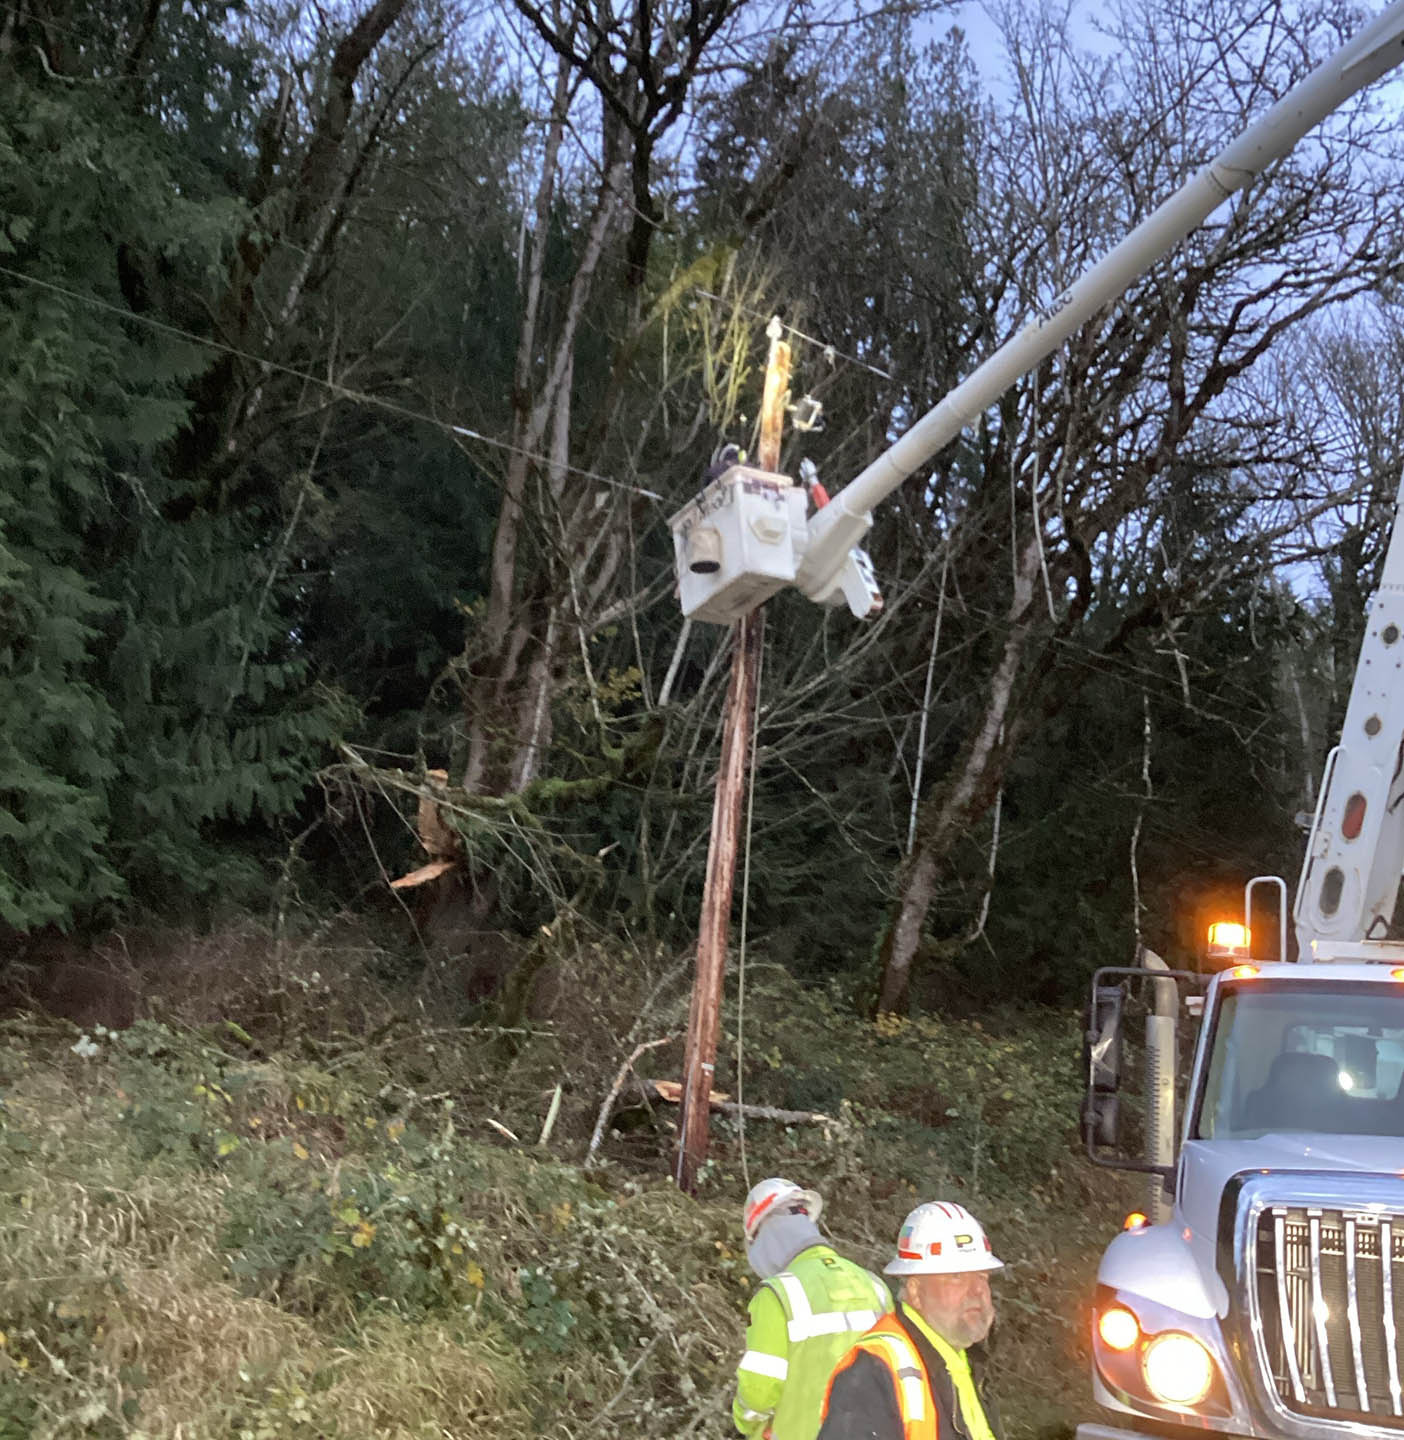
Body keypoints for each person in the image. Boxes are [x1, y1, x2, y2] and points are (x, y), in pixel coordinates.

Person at [817, 1201, 1004, 1440]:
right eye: (956, 1276)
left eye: (982, 1276)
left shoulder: (965, 1362)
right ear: (915, 1292)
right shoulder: (872, 1372)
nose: (978, 1290)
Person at [733, 1178, 893, 1440]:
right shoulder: (874, 1286)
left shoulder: (776, 1295)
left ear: (764, 1235)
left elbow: (758, 1393)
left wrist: (747, 1423)